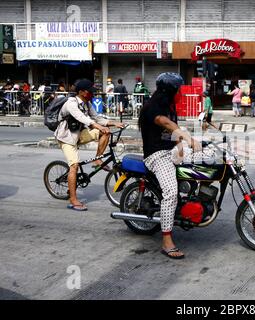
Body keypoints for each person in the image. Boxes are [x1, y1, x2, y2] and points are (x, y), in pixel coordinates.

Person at [139, 72, 215, 259]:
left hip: (172, 151)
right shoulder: (152, 107)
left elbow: (172, 132)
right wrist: (187, 138)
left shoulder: (169, 106)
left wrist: (189, 142)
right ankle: (166, 241)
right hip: (157, 155)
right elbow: (165, 123)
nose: (181, 92)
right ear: (170, 90)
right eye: (179, 89)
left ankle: (199, 199)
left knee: (210, 158)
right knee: (171, 193)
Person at [55, 79, 124, 212]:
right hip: (66, 137)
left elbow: (97, 117)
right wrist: (98, 126)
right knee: (74, 166)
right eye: (90, 92)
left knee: (106, 133)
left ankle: (98, 158)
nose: (92, 94)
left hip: (79, 133)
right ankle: (73, 199)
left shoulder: (87, 103)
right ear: (81, 92)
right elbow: (83, 118)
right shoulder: (71, 103)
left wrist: (113, 123)